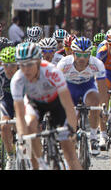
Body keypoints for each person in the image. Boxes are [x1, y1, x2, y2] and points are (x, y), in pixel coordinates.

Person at [11, 42, 82, 170]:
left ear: (38, 62)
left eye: (29, 64)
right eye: (22, 65)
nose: (25, 69)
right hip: (35, 103)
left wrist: (72, 129)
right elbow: (20, 114)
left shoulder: (52, 72)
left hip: (57, 103)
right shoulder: (17, 79)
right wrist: (22, 137)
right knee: (29, 126)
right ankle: (39, 163)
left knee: (70, 152)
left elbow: (68, 105)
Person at [57, 37, 109, 156]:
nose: (82, 58)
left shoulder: (97, 64)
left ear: (90, 54)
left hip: (87, 87)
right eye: (79, 54)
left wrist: (104, 106)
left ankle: (94, 138)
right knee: (71, 116)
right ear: (73, 53)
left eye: (86, 55)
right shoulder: (64, 64)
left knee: (95, 103)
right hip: (69, 88)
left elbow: (102, 89)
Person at [0, 47, 18, 169]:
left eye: (12, 65)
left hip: (21, 100)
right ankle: (11, 156)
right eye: (6, 65)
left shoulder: (24, 73)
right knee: (4, 126)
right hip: (6, 101)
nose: (9, 69)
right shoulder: (1, 74)